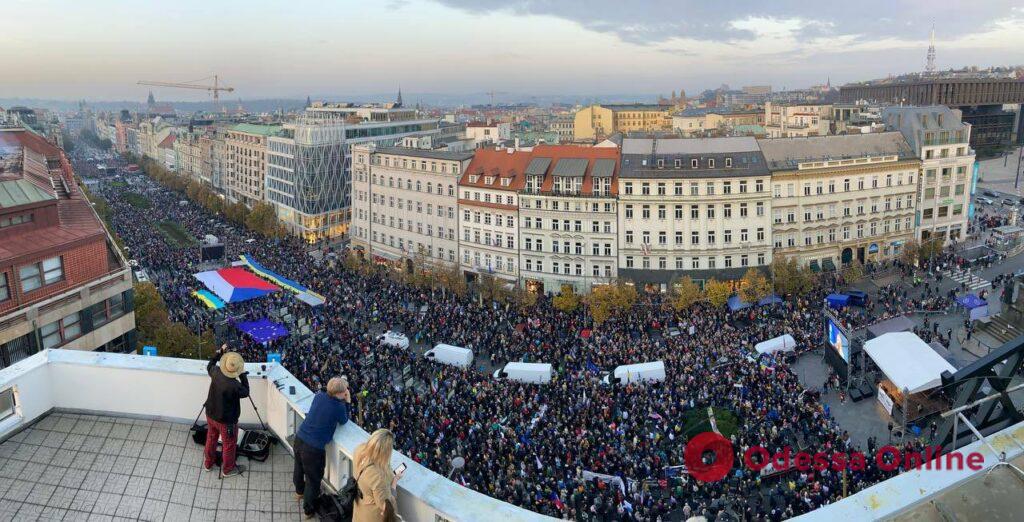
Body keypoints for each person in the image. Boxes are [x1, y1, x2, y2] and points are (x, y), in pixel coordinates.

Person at [293, 376, 352, 518]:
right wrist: (347, 401)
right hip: (313, 449)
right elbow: (344, 421)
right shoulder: (339, 406)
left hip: (300, 438)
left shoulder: (319, 396)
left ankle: (299, 491)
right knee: (313, 480)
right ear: (341, 393)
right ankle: (308, 510)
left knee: (299, 467)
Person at [204, 344, 250, 478]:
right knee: (229, 444)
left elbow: (209, 365)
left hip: (211, 413)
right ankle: (228, 469)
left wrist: (219, 352)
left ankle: (208, 463)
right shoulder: (235, 385)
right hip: (226, 421)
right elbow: (246, 392)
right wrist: (243, 376)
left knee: (211, 438)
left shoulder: (216, 372)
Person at [353, 429, 402, 522]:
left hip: (359, 508)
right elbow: (386, 505)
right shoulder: (377, 476)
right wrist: (394, 481)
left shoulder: (359, 451)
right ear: (386, 452)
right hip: (371, 516)